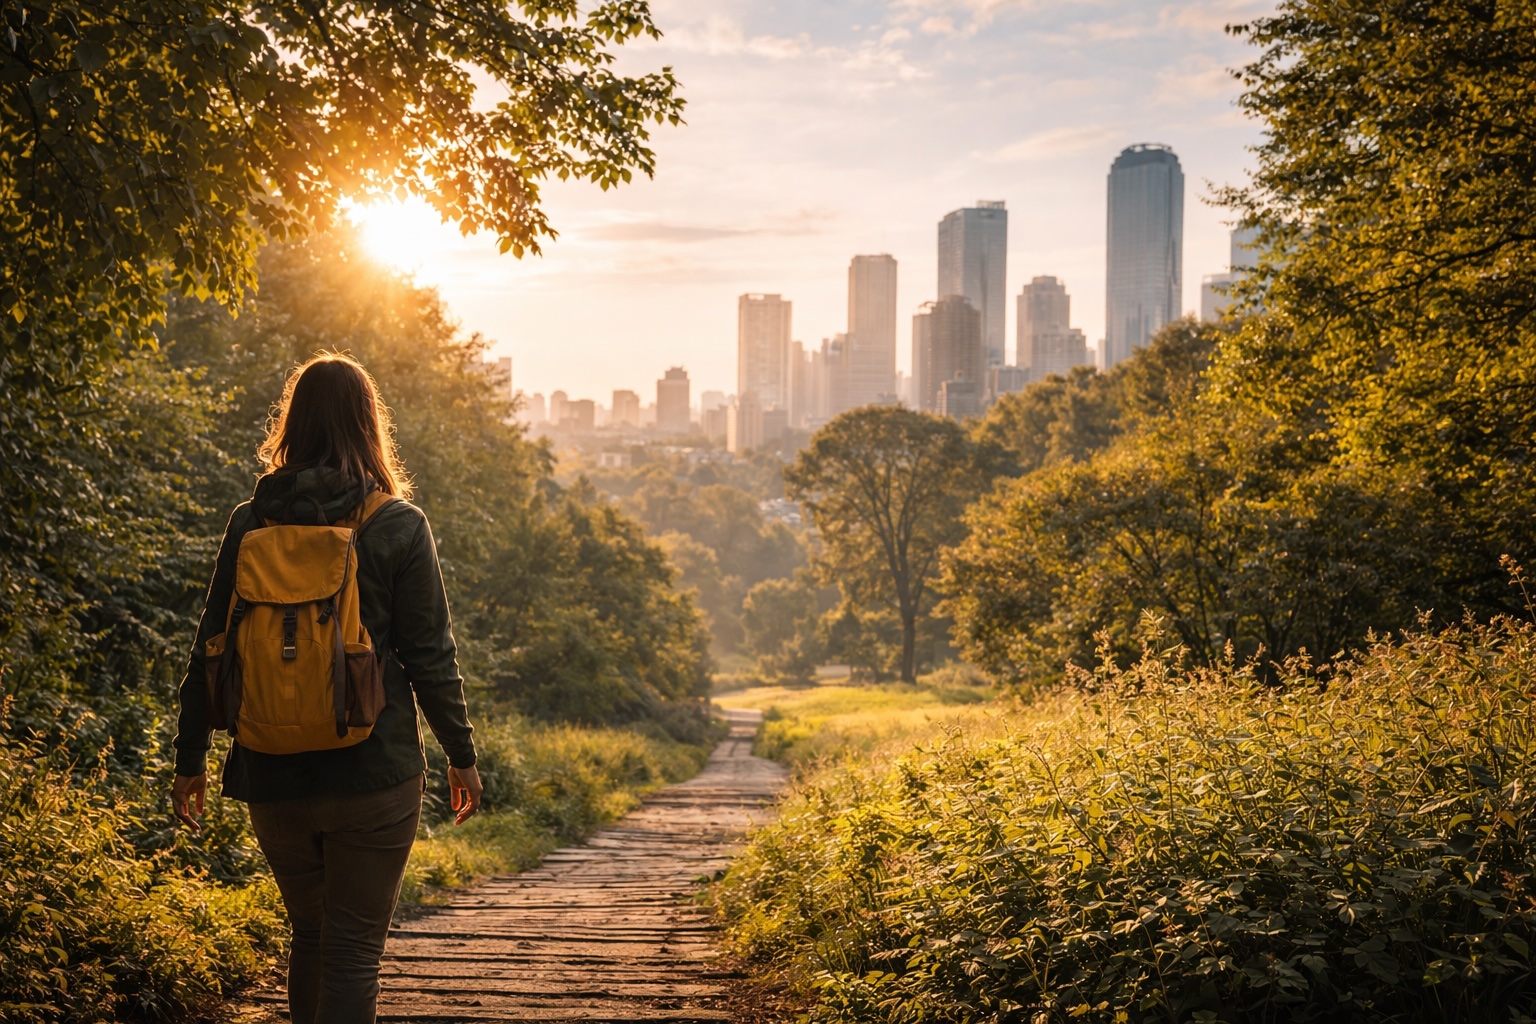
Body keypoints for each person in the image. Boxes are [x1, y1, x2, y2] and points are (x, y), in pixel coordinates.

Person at [171, 352, 483, 1024]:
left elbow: (210, 649)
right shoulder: (396, 525)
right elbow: (430, 656)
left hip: (271, 770)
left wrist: (189, 760)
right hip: (374, 771)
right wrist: (462, 754)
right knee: (350, 950)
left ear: (294, 423)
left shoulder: (251, 522)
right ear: (369, 424)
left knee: (310, 937)